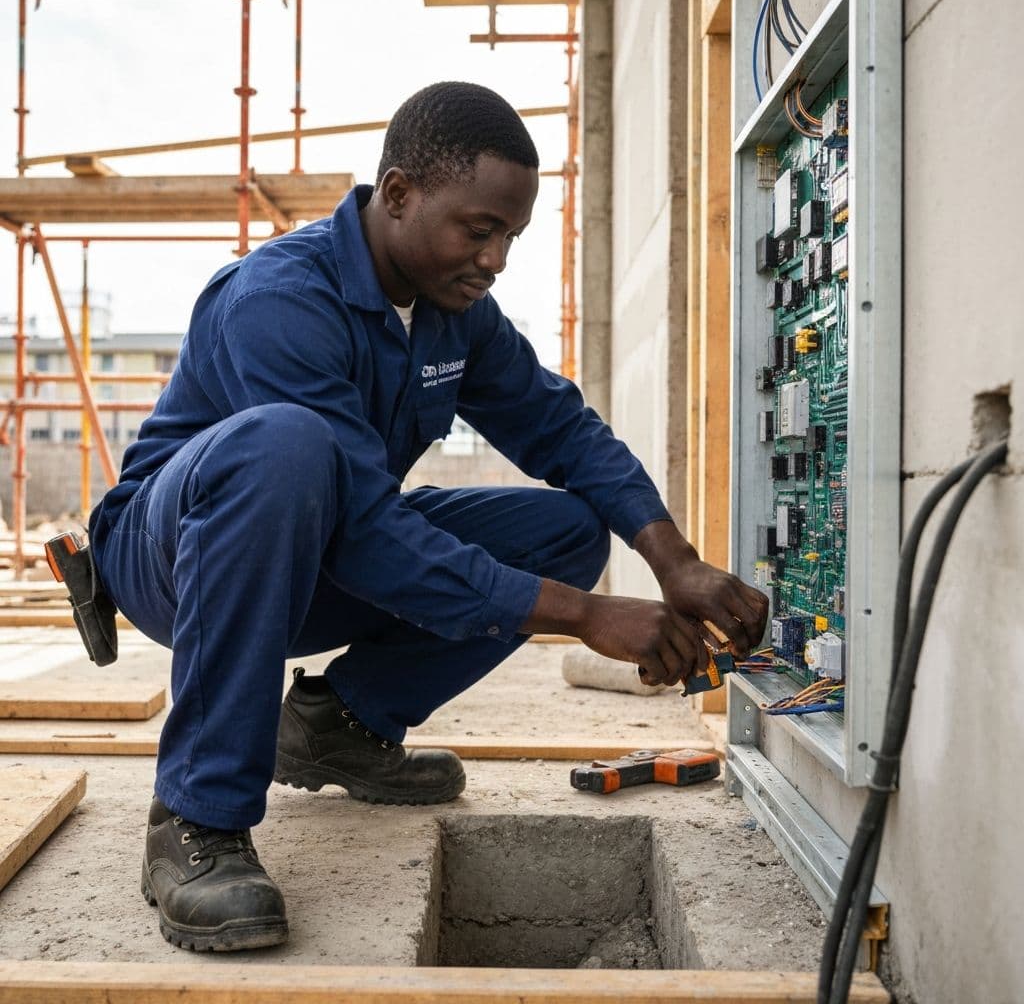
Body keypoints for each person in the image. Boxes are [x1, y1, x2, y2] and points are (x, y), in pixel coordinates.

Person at [89, 81, 768, 952]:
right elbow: (370, 534)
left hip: (320, 555)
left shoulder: (455, 313)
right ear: (400, 193)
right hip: (175, 560)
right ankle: (196, 817)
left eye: (511, 236)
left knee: (565, 532)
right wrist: (585, 615)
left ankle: (341, 724)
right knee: (285, 445)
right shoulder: (278, 300)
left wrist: (674, 558)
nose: (496, 259)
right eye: (479, 229)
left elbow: (560, 428)